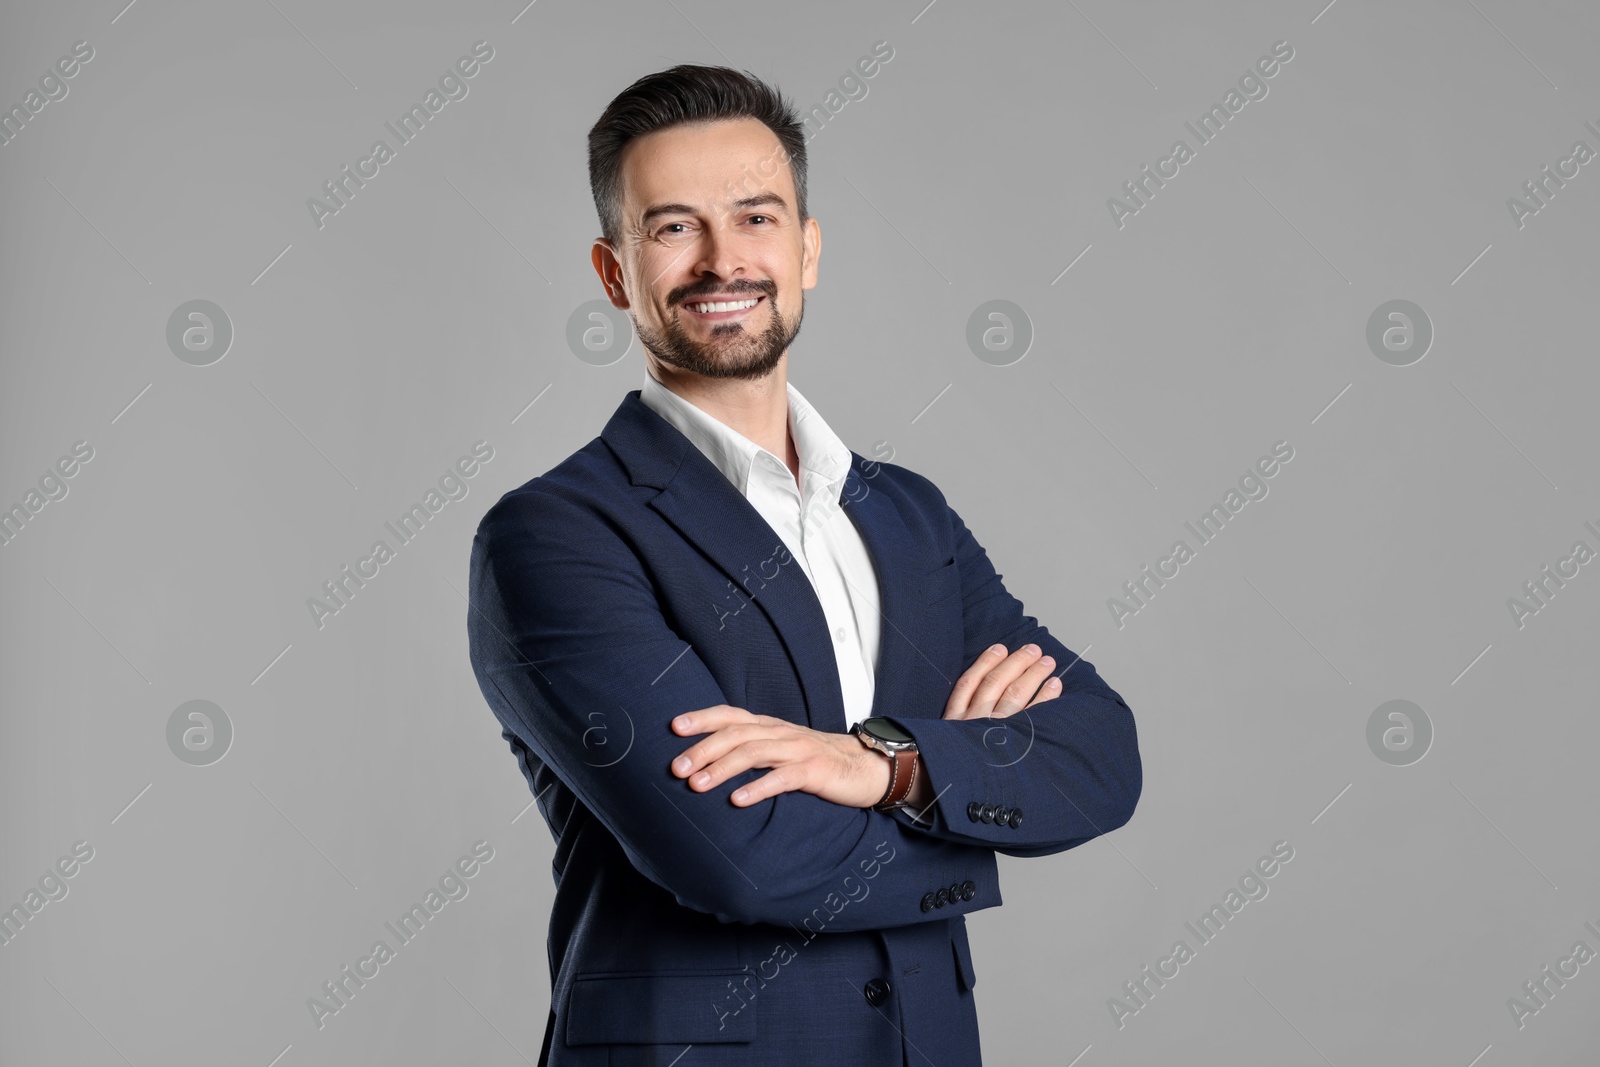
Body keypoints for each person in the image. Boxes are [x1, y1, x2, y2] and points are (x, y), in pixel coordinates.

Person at [465, 63, 1142, 1067]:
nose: (722, 259)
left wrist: (881, 763)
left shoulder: (904, 512)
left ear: (807, 247)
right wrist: (956, 780)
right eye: (672, 227)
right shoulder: (554, 535)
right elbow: (741, 855)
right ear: (615, 272)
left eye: (755, 217)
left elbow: (1100, 755)